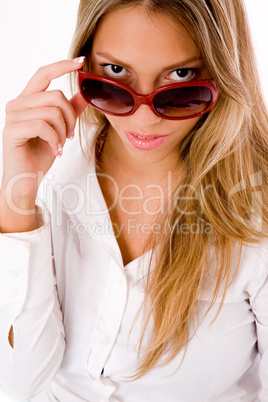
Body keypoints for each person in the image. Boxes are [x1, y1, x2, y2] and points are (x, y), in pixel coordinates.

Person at [0, 0, 268, 400]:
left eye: (181, 77)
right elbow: (20, 384)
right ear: (84, 61)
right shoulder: (50, 171)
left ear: (224, 72)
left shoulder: (256, 210)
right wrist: (17, 196)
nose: (143, 120)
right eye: (115, 72)